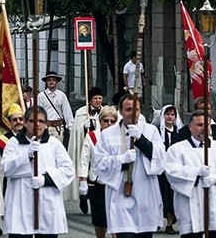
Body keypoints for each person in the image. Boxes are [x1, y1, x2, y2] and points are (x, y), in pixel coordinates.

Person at [94, 94, 165, 238]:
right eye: (128, 109)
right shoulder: (107, 135)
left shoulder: (151, 131)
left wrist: (141, 140)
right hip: (120, 195)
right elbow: (100, 164)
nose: (132, 113)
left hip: (145, 194)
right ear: (120, 111)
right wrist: (121, 160)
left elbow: (161, 159)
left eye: (136, 109)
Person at [164, 110, 216, 238]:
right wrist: (195, 173)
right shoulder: (177, 150)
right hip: (191, 211)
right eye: (199, 125)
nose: (203, 128)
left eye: (206, 125)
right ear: (190, 127)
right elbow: (172, 172)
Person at [0, 106, 74, 238]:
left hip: (46, 204)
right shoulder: (14, 143)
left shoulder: (54, 144)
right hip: (21, 205)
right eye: (32, 121)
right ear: (25, 123)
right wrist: (26, 156)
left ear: (46, 124)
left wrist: (45, 180)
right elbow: (6, 169)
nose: (37, 124)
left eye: (41, 121)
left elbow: (68, 170)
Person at [78, 106, 118, 238]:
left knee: (115, 218)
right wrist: (83, 180)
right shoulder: (92, 136)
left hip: (114, 184)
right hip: (97, 183)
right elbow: (84, 159)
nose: (109, 124)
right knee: (99, 220)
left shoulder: (119, 137)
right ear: (100, 121)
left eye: (112, 121)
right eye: (106, 120)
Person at [67, 86, 104, 209]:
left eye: (100, 98)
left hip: (98, 147)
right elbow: (76, 131)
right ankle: (83, 197)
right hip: (84, 144)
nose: (98, 101)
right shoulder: (81, 113)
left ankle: (91, 195)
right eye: (95, 98)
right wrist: (84, 127)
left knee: (93, 172)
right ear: (90, 99)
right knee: (83, 169)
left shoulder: (105, 112)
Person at [157, 104, 183, 234]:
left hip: (174, 169)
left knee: (172, 196)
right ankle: (156, 220)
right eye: (167, 114)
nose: (170, 117)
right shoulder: (157, 131)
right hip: (161, 170)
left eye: (172, 114)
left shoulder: (179, 132)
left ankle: (170, 224)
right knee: (161, 195)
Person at [36, 71, 74, 146]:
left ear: (56, 82)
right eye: (49, 80)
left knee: (58, 149)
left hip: (59, 128)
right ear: (46, 82)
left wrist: (70, 127)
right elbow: (38, 113)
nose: (51, 82)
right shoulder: (41, 96)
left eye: (53, 80)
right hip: (46, 127)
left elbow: (67, 112)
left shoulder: (62, 95)